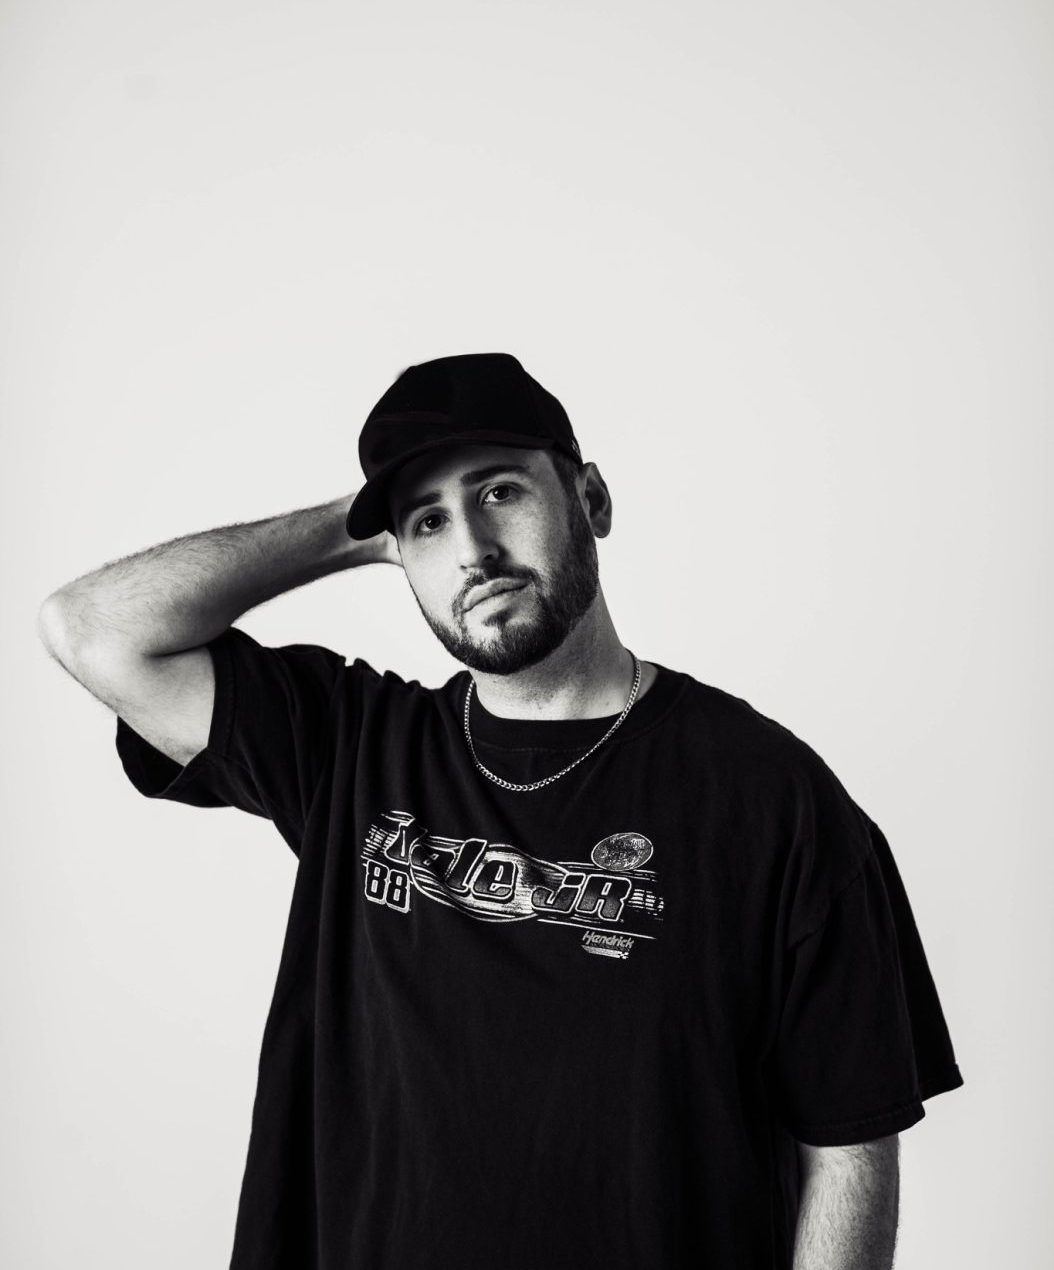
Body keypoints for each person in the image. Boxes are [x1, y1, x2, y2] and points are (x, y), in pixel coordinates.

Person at [37, 351, 965, 1269]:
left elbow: (849, 1150)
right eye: (430, 522)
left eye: (501, 493)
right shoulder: (347, 747)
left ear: (591, 500)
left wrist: (412, 513)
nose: (473, 551)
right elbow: (91, 630)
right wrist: (352, 527)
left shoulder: (773, 796)